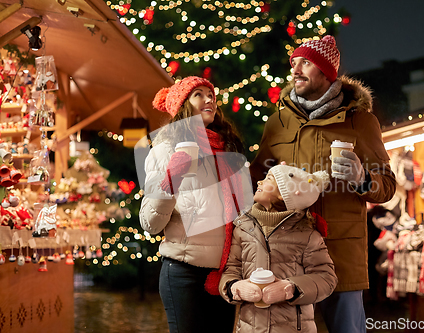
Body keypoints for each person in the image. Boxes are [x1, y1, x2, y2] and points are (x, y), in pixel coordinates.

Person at [249, 35, 397, 333]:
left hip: (339, 252)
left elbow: (388, 186)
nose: (295, 69)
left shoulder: (360, 121)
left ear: (327, 72)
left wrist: (362, 179)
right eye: (294, 63)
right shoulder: (277, 122)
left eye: (306, 62)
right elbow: (256, 180)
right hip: (287, 255)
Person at [139, 76, 250, 333]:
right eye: (198, 94)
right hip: (184, 274)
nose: (209, 99)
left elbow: (244, 213)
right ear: (183, 106)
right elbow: (150, 224)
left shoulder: (229, 151)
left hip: (226, 274)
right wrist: (170, 182)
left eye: (211, 94)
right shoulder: (165, 150)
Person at [219, 163, 338, 332]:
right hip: (249, 328)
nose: (259, 181)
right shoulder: (243, 228)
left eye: (268, 179)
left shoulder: (308, 235)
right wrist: (234, 287)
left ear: (283, 195)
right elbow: (232, 268)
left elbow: (326, 278)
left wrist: (290, 289)